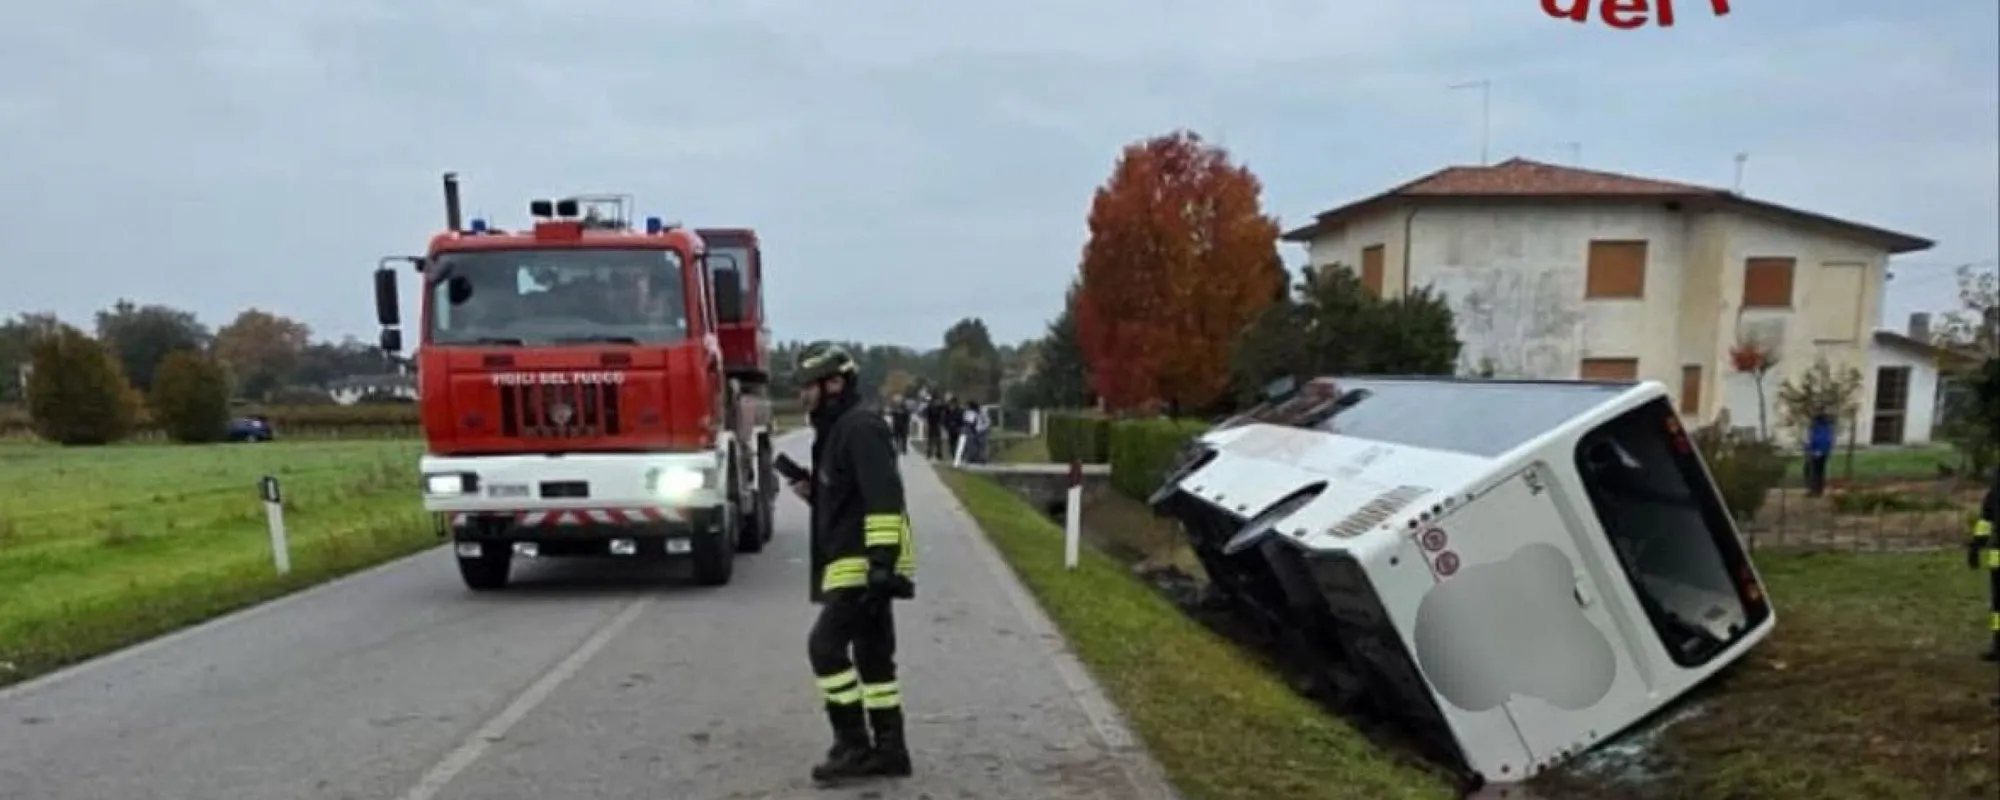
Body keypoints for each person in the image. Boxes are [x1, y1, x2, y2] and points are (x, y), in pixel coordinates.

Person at [787, 341, 918, 784]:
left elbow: (884, 500)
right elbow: (851, 500)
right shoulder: (838, 429)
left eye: (809, 386)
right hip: (859, 562)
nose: (803, 395)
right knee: (874, 659)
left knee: (824, 647)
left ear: (835, 383)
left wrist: (881, 565)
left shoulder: (859, 428)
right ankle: (890, 750)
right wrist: (815, 492)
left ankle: (854, 746)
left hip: (863, 565)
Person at [1968, 465, 1998, 662]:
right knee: (1998, 606)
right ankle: (1998, 644)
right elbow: (1985, 522)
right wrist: (1975, 546)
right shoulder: (1994, 494)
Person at [1802, 413, 1835, 497]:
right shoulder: (1826, 428)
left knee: (1815, 472)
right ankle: (1818, 490)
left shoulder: (1818, 428)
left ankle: (1814, 490)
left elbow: (1817, 440)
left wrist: (1813, 450)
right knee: (1819, 472)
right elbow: (1829, 442)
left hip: (1816, 452)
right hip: (1821, 453)